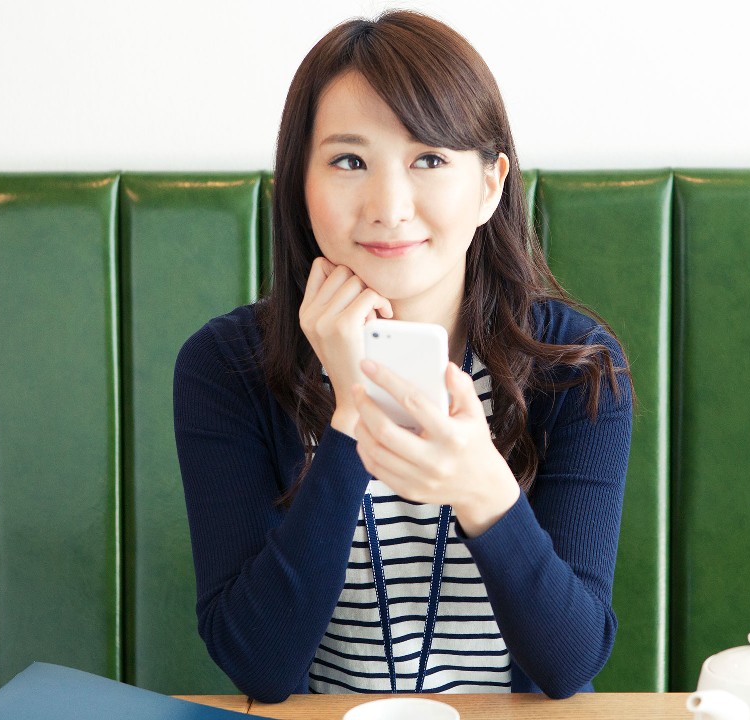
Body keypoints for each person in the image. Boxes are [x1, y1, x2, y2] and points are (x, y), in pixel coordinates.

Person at [173, 10, 632, 703]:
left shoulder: (577, 368)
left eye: (430, 159)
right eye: (349, 161)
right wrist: (353, 410)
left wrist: (481, 485)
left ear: (488, 184)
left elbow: (568, 662)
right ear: (301, 182)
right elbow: (258, 664)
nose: (389, 206)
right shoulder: (225, 367)